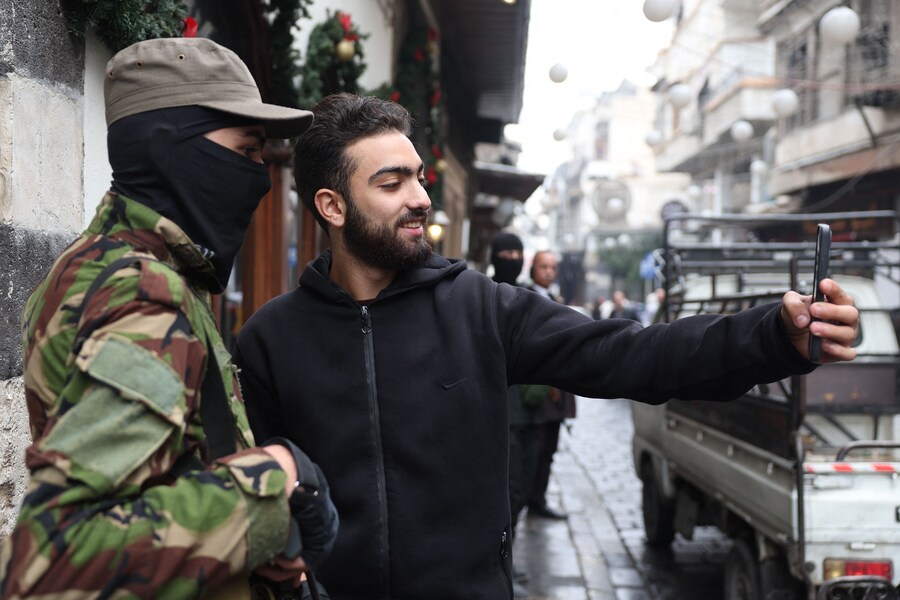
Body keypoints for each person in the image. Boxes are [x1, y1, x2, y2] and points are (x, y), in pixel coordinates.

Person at [232, 93, 860, 600]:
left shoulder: (482, 307)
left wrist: (775, 335)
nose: (420, 198)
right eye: (391, 183)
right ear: (332, 206)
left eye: (419, 178)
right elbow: (251, 492)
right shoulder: (269, 339)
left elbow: (637, 357)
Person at [0, 37, 338, 600]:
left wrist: (253, 544)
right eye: (247, 150)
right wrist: (274, 480)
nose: (260, 177)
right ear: (169, 149)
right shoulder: (141, 292)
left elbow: (154, 481)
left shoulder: (103, 264)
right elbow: (58, 559)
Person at [488, 232, 532, 596]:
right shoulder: (479, 296)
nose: (512, 257)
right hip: (489, 413)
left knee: (518, 487)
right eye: (505, 252)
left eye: (517, 252)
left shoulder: (529, 298)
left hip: (524, 416)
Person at [522, 251, 576, 520]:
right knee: (530, 452)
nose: (548, 272)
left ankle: (537, 499)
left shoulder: (556, 299)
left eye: (553, 267)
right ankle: (523, 499)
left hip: (555, 393)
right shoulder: (522, 295)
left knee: (547, 451)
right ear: (534, 268)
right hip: (533, 391)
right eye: (544, 266)